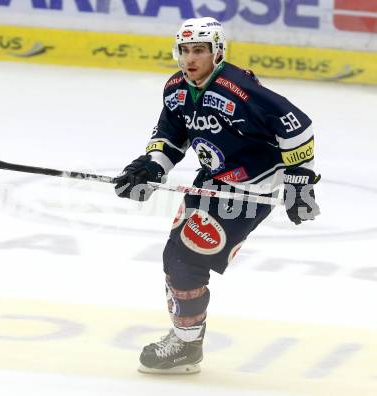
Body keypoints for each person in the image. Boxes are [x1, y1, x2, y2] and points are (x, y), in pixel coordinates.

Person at [114, 16, 320, 374]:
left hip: (251, 189)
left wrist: (299, 182)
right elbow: (171, 135)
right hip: (212, 179)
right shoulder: (177, 88)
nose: (190, 58)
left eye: (200, 50)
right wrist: (151, 167)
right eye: (185, 50)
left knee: (186, 262)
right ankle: (186, 339)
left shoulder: (239, 89)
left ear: (217, 52)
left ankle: (187, 345)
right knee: (174, 257)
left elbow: (296, 124)